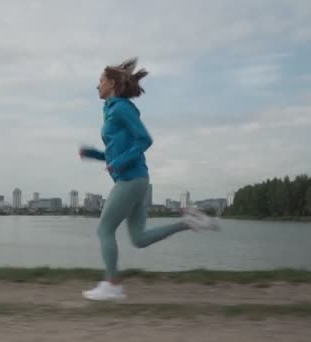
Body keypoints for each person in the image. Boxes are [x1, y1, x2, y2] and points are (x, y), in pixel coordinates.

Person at [79, 57, 219, 301]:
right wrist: (94, 154)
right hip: (136, 179)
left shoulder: (121, 108)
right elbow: (116, 154)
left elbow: (145, 140)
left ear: (111, 83)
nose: (97, 85)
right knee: (139, 239)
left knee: (104, 229)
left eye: (100, 81)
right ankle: (189, 222)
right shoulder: (111, 109)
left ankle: (112, 285)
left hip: (131, 180)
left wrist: (118, 163)